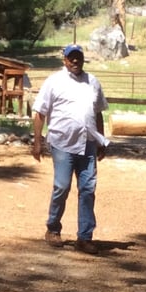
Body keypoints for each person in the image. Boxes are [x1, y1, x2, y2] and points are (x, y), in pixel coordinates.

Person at [31, 44, 110, 254]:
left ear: (82, 59)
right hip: (62, 143)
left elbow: (98, 112)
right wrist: (37, 141)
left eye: (78, 57)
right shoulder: (54, 81)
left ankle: (84, 237)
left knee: (87, 190)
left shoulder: (92, 82)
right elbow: (40, 112)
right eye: (70, 58)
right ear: (64, 60)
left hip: (88, 144)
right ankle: (53, 228)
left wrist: (101, 140)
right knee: (62, 186)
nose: (75, 61)